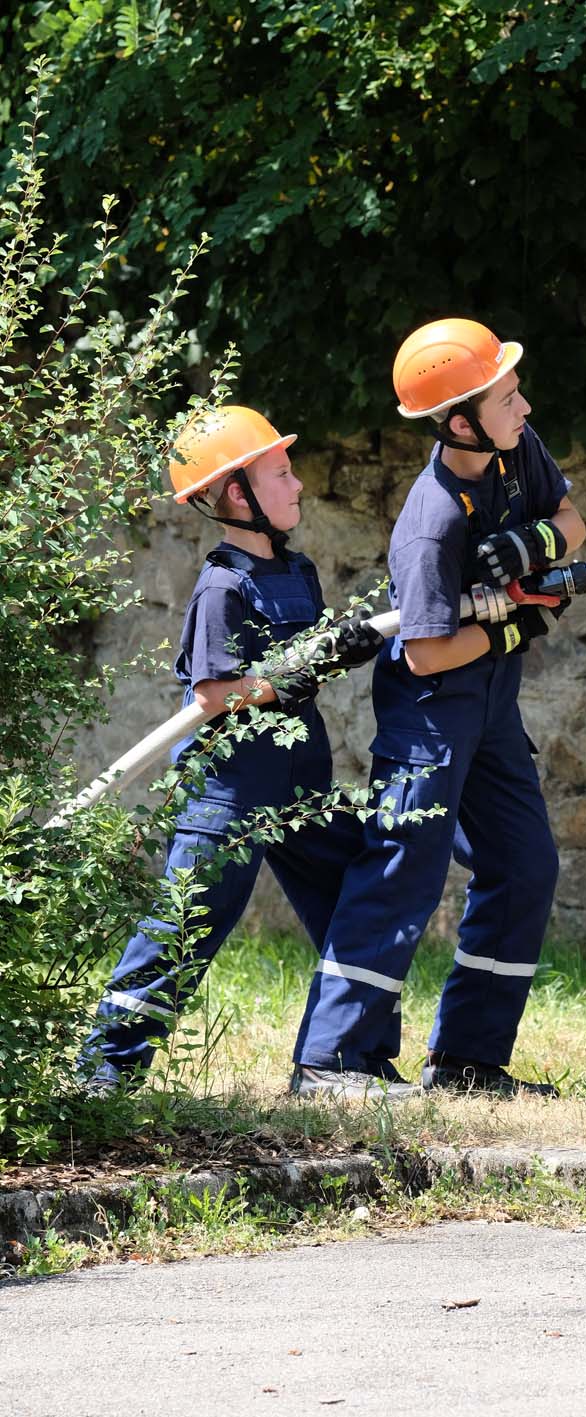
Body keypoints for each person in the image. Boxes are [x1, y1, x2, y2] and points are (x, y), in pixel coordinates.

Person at [288, 318, 586, 1098]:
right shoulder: (430, 522)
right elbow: (423, 651)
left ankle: (466, 1060)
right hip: (431, 710)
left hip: (491, 707)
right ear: (460, 421)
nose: (523, 408)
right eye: (507, 397)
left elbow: (573, 522)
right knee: (404, 867)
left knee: (524, 865)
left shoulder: (515, 446)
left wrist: (534, 548)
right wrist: (514, 625)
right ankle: (330, 1060)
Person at [80, 405, 406, 1099]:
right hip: (226, 795)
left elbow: (298, 668)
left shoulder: (300, 570)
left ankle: (348, 1058)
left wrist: (335, 649)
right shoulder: (222, 587)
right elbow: (213, 693)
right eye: (280, 472)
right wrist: (294, 670)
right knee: (183, 927)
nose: (296, 484)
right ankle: (102, 1074)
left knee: (361, 891)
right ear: (238, 493)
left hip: (298, 786)